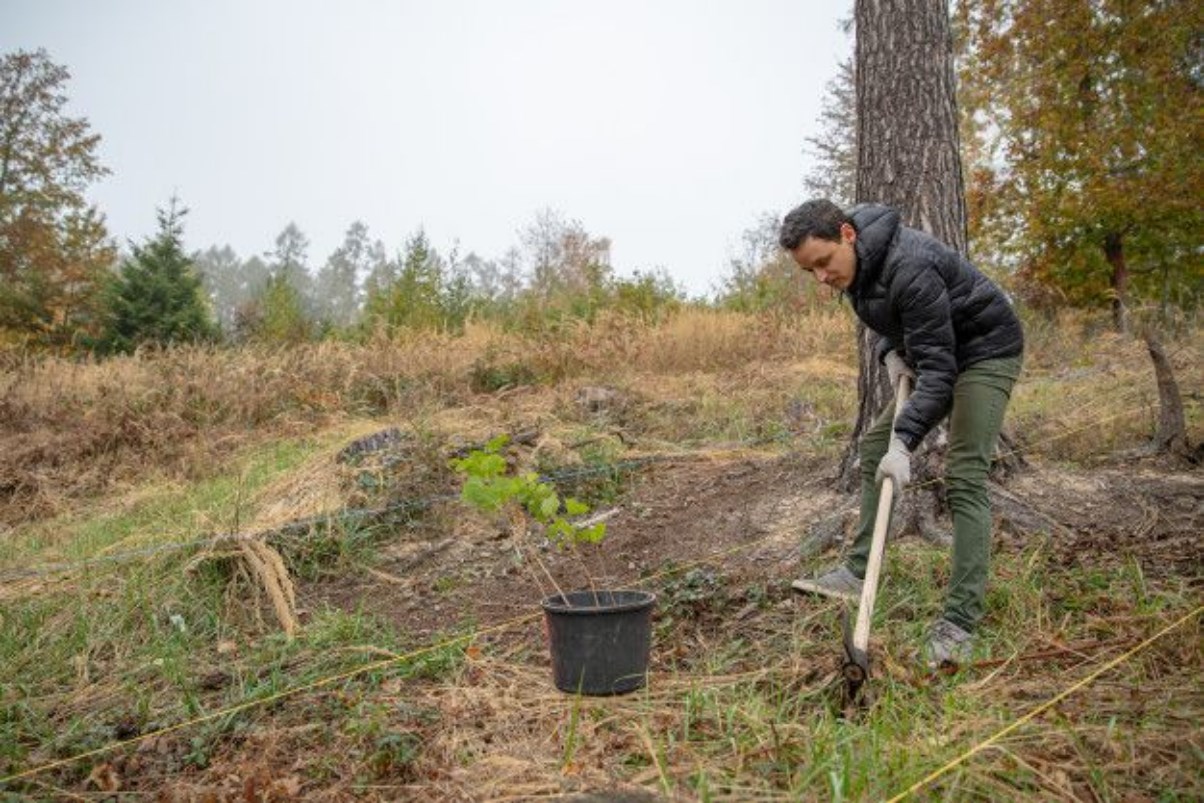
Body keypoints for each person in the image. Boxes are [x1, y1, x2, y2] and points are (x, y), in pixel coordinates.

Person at [779, 199, 1024, 669]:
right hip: (942, 352)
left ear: (847, 235)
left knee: (964, 476)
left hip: (986, 350)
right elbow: (897, 320)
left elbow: (939, 368)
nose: (821, 279)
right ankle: (856, 572)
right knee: (873, 447)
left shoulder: (909, 264)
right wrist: (890, 350)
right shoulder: (857, 270)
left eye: (824, 264)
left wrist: (905, 442)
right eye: (810, 271)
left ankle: (959, 625)